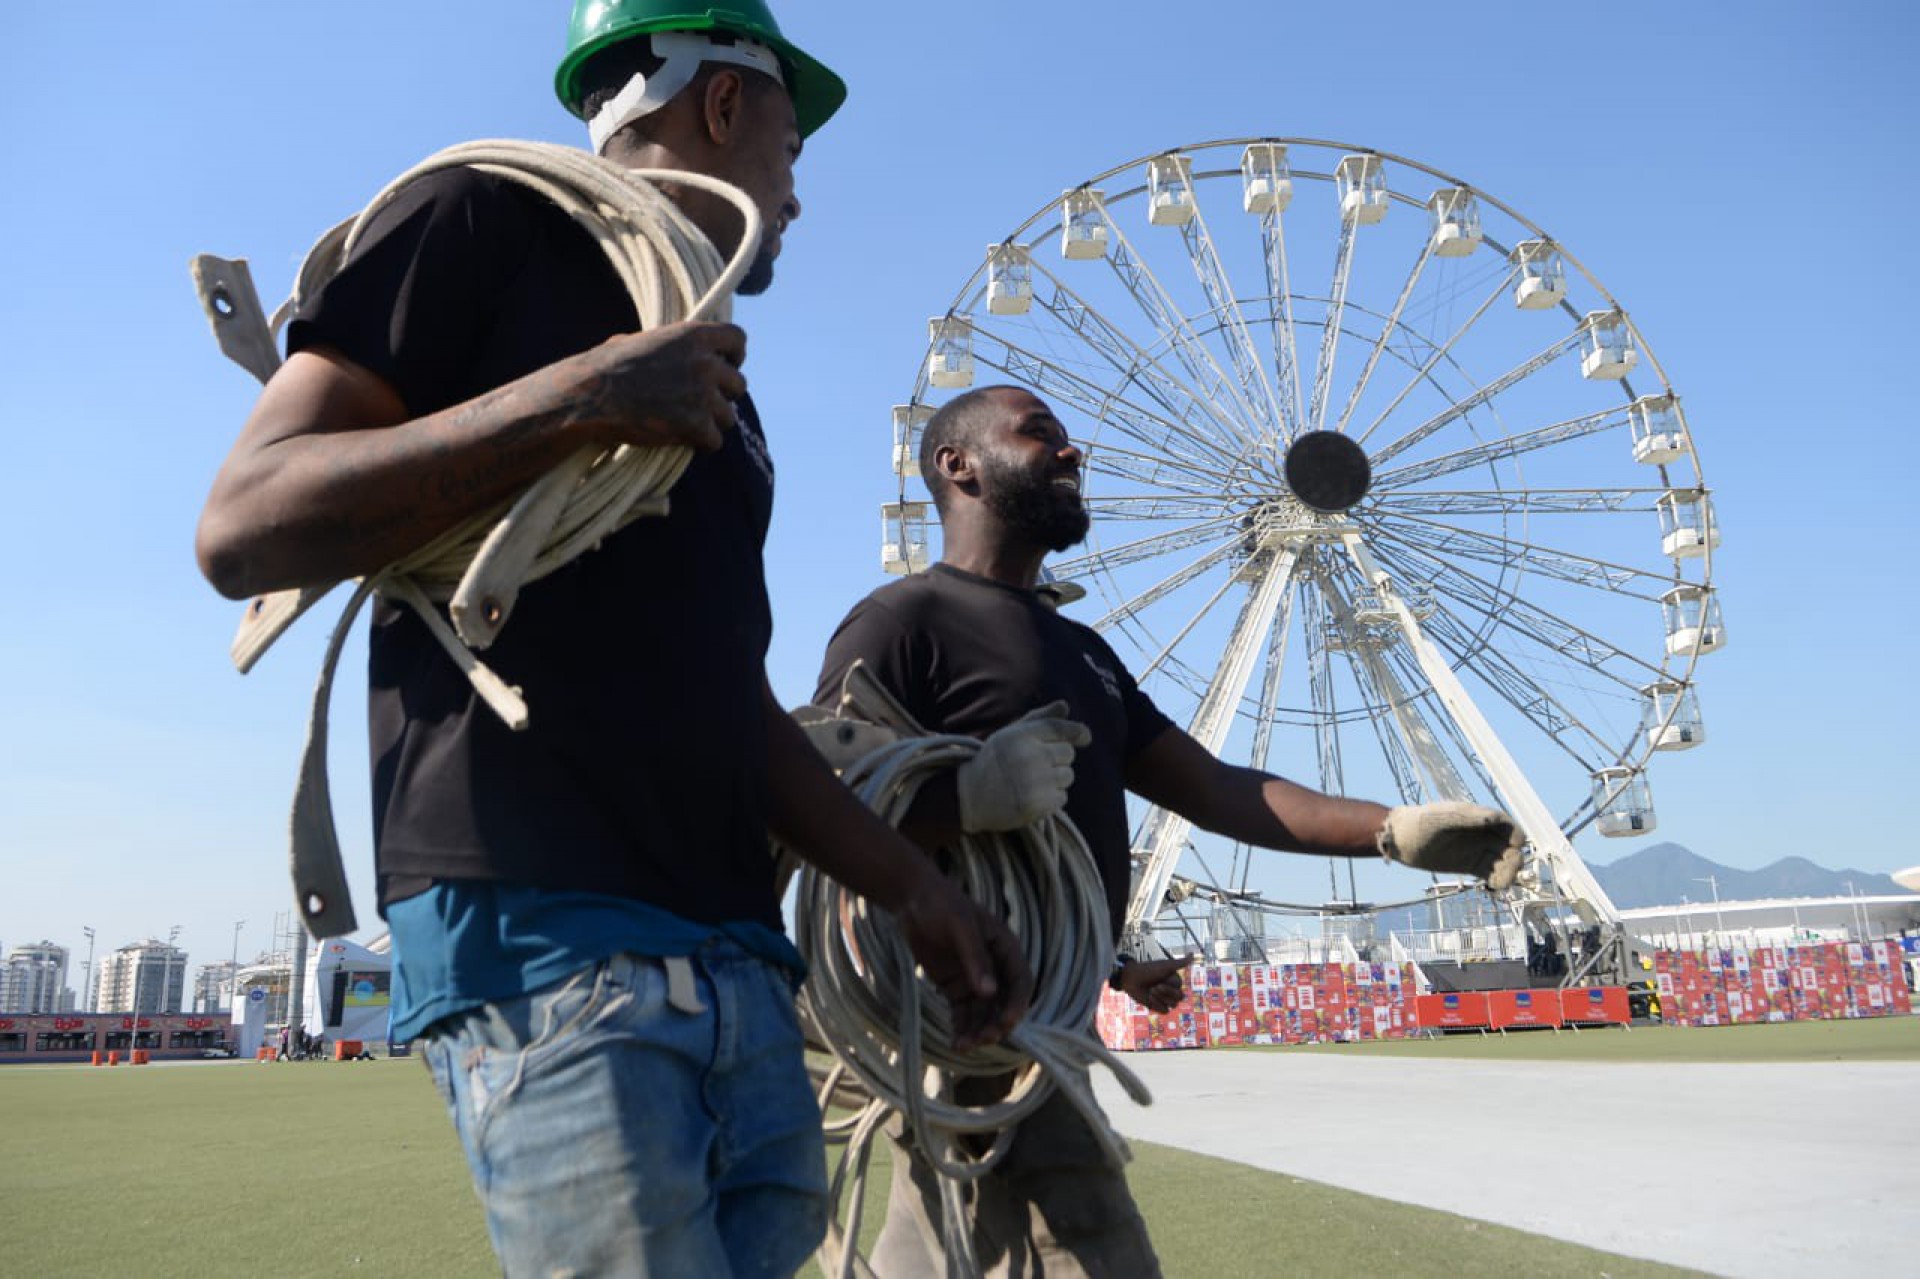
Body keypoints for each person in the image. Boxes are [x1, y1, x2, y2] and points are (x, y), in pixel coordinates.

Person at [195, 5, 1029, 1275]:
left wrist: (910, 885)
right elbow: (244, 523)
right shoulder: (481, 217)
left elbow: (725, 698)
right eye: (794, 148)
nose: (797, 196)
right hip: (546, 935)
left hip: (737, 952)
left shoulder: (716, 386)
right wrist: (586, 395)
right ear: (725, 102)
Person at [813, 384, 1524, 1278]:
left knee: (933, 1246)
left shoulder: (1086, 653)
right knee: (1089, 1244)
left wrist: (1393, 829)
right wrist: (965, 798)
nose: (1072, 451)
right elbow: (823, 809)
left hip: (1057, 1019)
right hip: (974, 1018)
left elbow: (1218, 789)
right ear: (958, 466)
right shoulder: (902, 622)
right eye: (1038, 433)